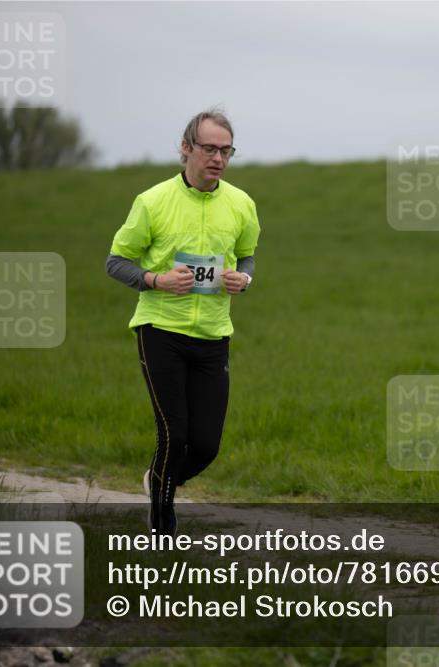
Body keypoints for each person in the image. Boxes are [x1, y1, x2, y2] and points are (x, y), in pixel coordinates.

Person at [105, 108, 260, 536]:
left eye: (226, 151)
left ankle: (158, 482)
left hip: (213, 336)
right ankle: (162, 531)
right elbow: (115, 262)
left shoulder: (241, 204)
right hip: (161, 331)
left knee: (206, 445)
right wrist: (155, 279)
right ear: (186, 148)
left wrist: (243, 278)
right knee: (173, 433)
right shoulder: (152, 201)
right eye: (210, 148)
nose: (219, 159)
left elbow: (247, 255)